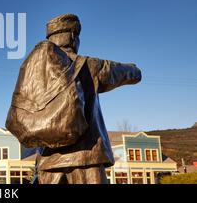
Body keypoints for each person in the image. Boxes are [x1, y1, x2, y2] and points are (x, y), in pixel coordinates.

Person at [35, 14, 142, 184]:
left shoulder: (36, 72)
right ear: (72, 37)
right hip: (87, 157)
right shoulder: (89, 65)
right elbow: (129, 73)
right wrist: (134, 69)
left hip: (48, 160)